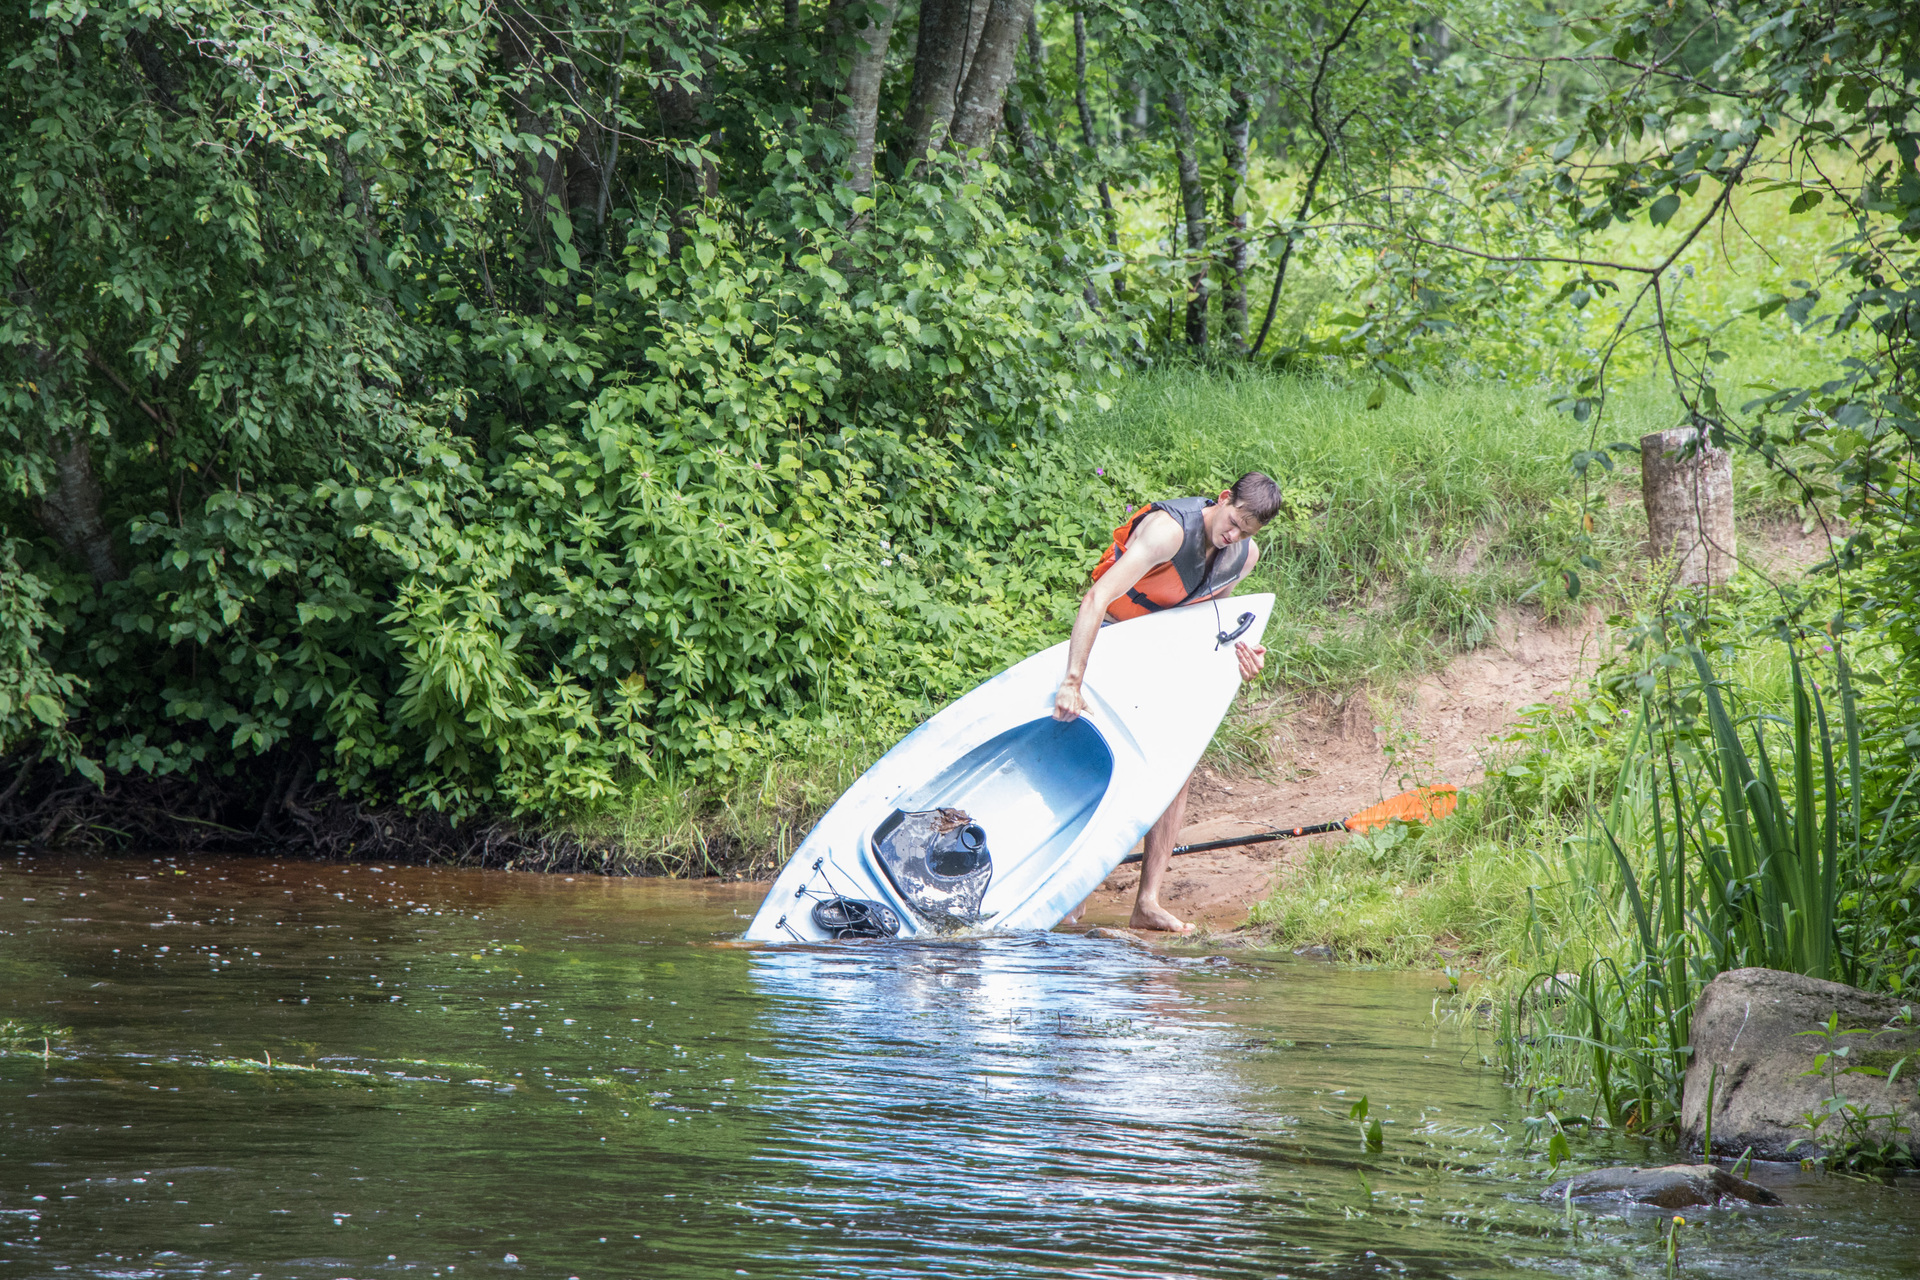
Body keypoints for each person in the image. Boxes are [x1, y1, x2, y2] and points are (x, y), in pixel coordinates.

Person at [1052, 472, 1282, 933]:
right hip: (1114, 640)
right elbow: (1096, 598)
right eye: (1233, 522)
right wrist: (1072, 682)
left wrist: (1241, 655)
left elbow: (1208, 625)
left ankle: (1147, 902)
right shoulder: (1167, 532)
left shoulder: (1245, 555)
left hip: (1162, 654)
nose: (1233, 536)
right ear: (1224, 499)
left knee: (1180, 763)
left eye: (1246, 532)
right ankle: (1073, 899)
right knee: (1104, 760)